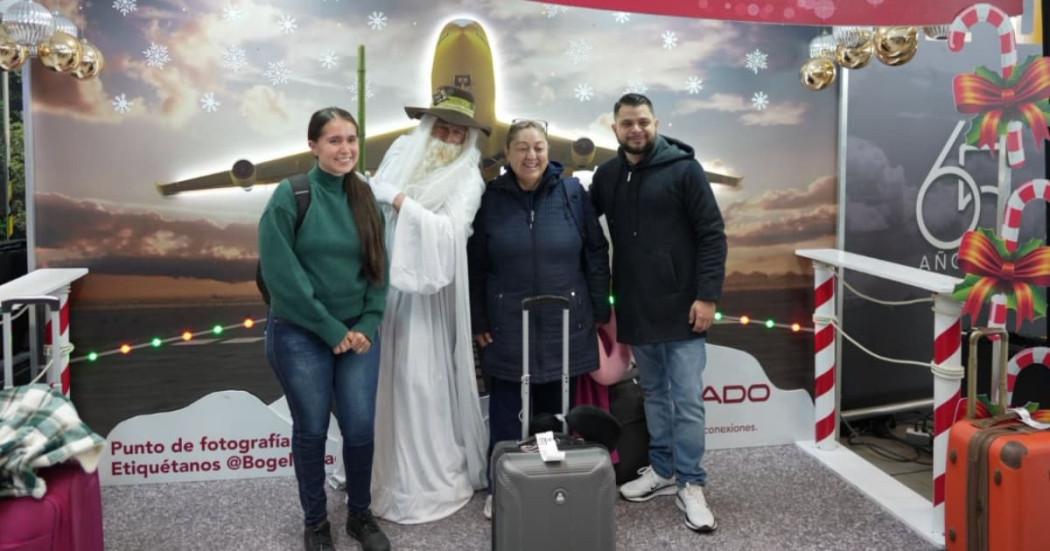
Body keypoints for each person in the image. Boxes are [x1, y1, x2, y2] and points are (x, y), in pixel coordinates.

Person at [590, 93, 726, 533]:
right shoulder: (608, 176)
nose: (636, 130)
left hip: (685, 308)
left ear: (656, 123)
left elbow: (712, 234)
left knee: (686, 399)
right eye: (627, 123)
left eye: (643, 122)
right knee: (654, 395)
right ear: (614, 128)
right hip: (636, 309)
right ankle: (664, 470)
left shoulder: (685, 169)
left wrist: (707, 297)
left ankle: (691, 482)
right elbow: (580, 219)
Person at [258, 107, 391, 551]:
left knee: (359, 427)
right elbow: (282, 276)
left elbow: (378, 267)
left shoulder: (364, 196)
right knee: (312, 428)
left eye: (351, 139)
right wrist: (330, 328)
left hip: (358, 333)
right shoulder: (289, 195)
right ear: (313, 146)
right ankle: (316, 522)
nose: (345, 148)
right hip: (300, 332)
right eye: (334, 140)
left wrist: (369, 321)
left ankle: (359, 515)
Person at [467, 119, 611, 519]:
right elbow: (476, 265)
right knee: (507, 409)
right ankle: (503, 486)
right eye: (522, 148)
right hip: (508, 320)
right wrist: (479, 319)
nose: (531, 156)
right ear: (508, 154)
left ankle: (551, 482)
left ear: (549, 151)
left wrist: (599, 309)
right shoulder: (490, 198)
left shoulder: (571, 194)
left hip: (564, 320)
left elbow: (595, 254)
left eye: (539, 148)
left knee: (553, 408)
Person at [366, 86, 490, 524]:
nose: (450, 138)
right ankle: (381, 472)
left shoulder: (469, 177)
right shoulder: (401, 154)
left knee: (418, 380)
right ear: (428, 127)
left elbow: (453, 234)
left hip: (429, 299)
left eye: (460, 132)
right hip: (384, 295)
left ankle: (422, 476)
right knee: (382, 381)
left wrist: (400, 201)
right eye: (444, 128)